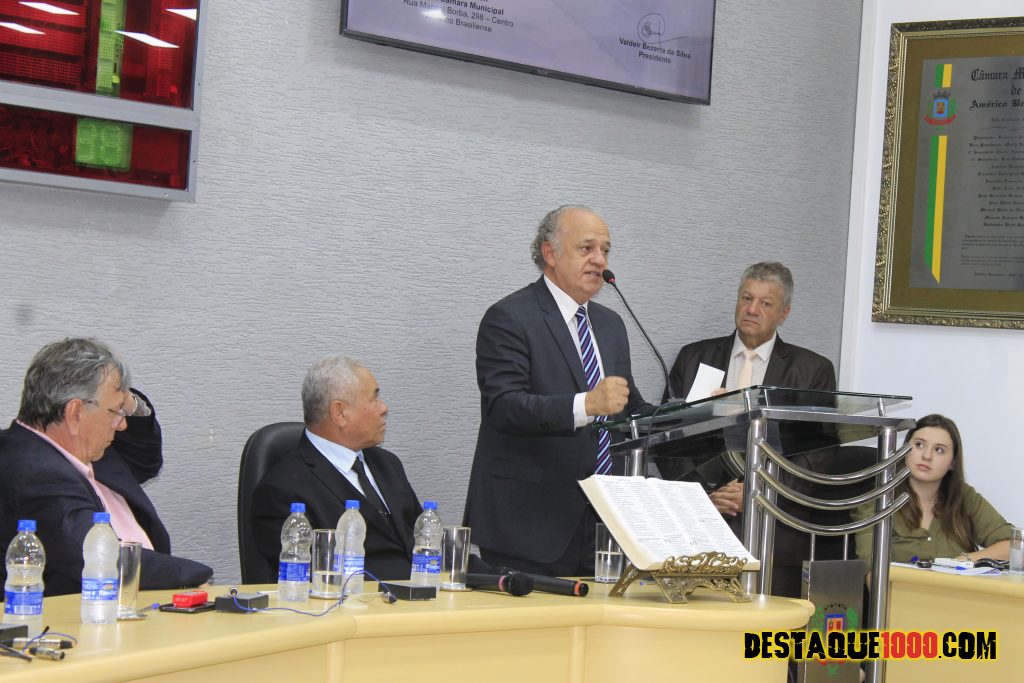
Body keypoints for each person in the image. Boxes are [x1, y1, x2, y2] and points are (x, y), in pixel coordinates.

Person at [464, 205, 650, 577]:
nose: (600, 260)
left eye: (605, 250)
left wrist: (701, 410)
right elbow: (505, 407)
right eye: (587, 248)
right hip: (529, 522)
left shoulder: (611, 325)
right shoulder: (510, 317)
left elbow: (628, 408)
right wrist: (587, 404)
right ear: (550, 253)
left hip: (603, 522)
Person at [663, 261, 838, 597]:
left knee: (767, 629)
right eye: (746, 298)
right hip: (700, 528)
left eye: (765, 303)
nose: (752, 309)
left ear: (784, 313)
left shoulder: (812, 371)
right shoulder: (694, 358)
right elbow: (667, 440)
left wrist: (756, 493)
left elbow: (819, 455)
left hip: (776, 536)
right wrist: (707, 495)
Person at [0, 337, 213, 596]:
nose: (122, 425)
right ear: (75, 413)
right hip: (87, 613)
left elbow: (146, 458)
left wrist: (127, 401)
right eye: (116, 412)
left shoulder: (92, 451)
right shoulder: (34, 470)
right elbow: (97, 556)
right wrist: (191, 577)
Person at [249, 355, 422, 582]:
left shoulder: (388, 464)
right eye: (374, 398)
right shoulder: (281, 490)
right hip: (361, 601)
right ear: (339, 413)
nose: (384, 408)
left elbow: (424, 540)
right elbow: (317, 579)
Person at [853, 414, 1012, 569]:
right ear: (905, 449)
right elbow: (872, 572)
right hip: (902, 587)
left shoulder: (964, 497)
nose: (927, 456)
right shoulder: (879, 500)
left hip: (954, 586)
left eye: (939, 450)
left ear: (952, 462)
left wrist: (962, 562)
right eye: (919, 445)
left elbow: (1014, 546)